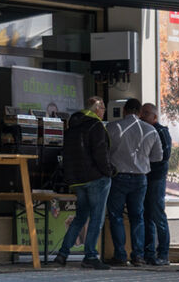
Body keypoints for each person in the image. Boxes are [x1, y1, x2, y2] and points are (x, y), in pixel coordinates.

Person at [54, 97, 114, 269]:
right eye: (102, 107)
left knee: (80, 217)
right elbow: (101, 154)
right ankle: (90, 255)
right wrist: (109, 171)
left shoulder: (72, 127)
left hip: (78, 181)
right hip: (96, 178)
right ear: (96, 109)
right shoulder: (96, 126)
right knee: (96, 217)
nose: (104, 111)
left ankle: (62, 254)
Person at [106, 98, 161, 267]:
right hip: (140, 178)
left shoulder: (112, 127)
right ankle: (138, 255)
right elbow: (157, 157)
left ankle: (120, 255)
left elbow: (105, 152)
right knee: (137, 217)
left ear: (124, 110)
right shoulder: (151, 130)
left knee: (116, 216)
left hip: (119, 176)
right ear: (139, 112)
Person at [140, 103, 172, 265]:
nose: (141, 116)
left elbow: (164, 155)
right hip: (145, 178)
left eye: (146, 113)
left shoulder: (160, 131)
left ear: (154, 117)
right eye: (141, 113)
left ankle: (163, 253)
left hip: (156, 178)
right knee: (146, 215)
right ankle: (149, 252)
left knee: (157, 214)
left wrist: (147, 163)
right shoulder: (141, 130)